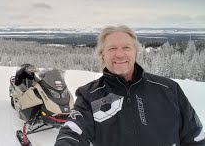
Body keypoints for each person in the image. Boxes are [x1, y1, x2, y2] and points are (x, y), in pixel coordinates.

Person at [55, 25, 205, 146]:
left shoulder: (169, 89)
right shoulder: (88, 95)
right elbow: (73, 131)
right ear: (102, 54)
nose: (119, 54)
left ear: (135, 53)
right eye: (112, 48)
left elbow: (195, 137)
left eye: (126, 48)